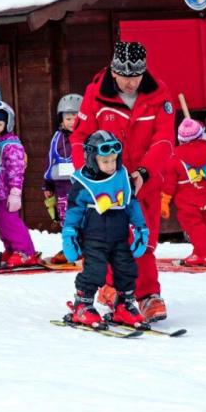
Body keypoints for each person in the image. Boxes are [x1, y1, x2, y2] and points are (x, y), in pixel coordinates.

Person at [71, 41, 174, 322]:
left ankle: (148, 296)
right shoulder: (95, 94)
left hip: (144, 183)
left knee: (143, 241)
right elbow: (80, 138)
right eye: (125, 78)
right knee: (105, 240)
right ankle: (110, 289)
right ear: (114, 72)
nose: (131, 84)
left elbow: (164, 140)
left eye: (136, 77)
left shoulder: (159, 95)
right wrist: (90, 175)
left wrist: (144, 172)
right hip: (105, 186)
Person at [63, 131, 149, 328]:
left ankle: (124, 305)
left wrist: (141, 229)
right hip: (94, 238)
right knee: (95, 271)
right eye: (105, 161)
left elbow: (132, 205)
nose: (111, 166)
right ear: (93, 160)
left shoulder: (122, 177)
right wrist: (70, 234)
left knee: (127, 270)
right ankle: (82, 305)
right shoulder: (83, 184)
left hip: (119, 238)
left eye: (113, 160)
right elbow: (74, 212)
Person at [160, 118, 206, 266]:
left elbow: (169, 184)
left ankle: (203, 255)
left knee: (195, 226)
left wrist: (164, 202)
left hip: (187, 202)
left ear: (180, 139)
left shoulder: (175, 160)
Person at [0, 99, 39, 267]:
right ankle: (11, 249)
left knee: (10, 222)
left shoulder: (11, 145)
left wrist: (15, 192)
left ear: (7, 123)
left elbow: (16, 170)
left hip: (6, 192)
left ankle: (25, 252)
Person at [43, 93, 83, 264]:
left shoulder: (88, 136)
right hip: (62, 188)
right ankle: (69, 249)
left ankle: (86, 249)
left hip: (83, 187)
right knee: (66, 219)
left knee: (85, 218)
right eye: (68, 118)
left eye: (75, 117)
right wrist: (47, 185)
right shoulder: (57, 138)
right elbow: (51, 161)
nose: (71, 122)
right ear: (61, 119)